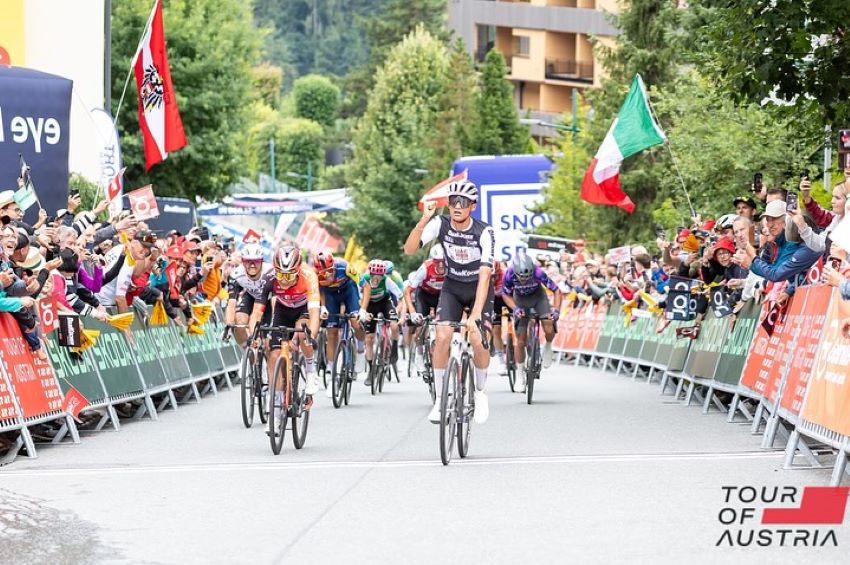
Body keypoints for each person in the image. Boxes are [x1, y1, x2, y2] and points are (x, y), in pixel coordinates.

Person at [403, 181, 495, 424]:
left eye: (463, 203)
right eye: (453, 201)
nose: (457, 206)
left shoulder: (484, 232)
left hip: (478, 288)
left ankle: (480, 392)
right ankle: (441, 401)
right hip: (452, 287)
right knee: (442, 337)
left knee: (477, 339)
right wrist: (424, 220)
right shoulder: (440, 224)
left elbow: (485, 276)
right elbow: (410, 249)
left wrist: (475, 316)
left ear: (472, 207)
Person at [249, 244, 322, 405]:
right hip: (283, 309)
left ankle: (310, 370)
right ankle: (277, 399)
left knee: (304, 333)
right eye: (280, 275)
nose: (283, 280)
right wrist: (252, 335)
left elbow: (315, 313)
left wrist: (312, 337)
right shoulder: (269, 278)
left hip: (303, 309)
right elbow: (256, 313)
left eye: (288, 276)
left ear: (297, 271)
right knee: (273, 353)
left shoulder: (308, 276)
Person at [500, 251, 563, 391]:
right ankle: (520, 375)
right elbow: (505, 293)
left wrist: (557, 310)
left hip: (538, 298)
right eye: (521, 278)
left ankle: (548, 345)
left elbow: (556, 290)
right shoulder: (509, 273)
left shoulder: (538, 272)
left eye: (527, 278)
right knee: (521, 340)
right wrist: (515, 309)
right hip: (520, 300)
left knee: (548, 325)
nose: (524, 280)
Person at [313, 251, 366, 397]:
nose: (327, 276)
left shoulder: (345, 267)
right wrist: (322, 306)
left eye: (329, 272)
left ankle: (361, 349)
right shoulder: (315, 274)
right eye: (323, 274)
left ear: (334, 266)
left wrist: (363, 309)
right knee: (332, 333)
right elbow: (319, 291)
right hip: (330, 296)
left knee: (356, 323)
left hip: (349, 291)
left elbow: (366, 287)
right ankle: (333, 378)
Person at [357, 259, 402, 387]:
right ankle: (371, 371)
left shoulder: (387, 281)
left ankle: (394, 347)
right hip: (369, 305)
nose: (376, 279)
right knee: (369, 339)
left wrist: (399, 311)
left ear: (383, 275)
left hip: (384, 303)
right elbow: (357, 299)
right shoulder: (363, 279)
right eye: (374, 275)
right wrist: (364, 312)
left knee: (394, 324)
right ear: (369, 273)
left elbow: (400, 296)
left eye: (379, 276)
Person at [224, 243, 272, 347]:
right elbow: (231, 304)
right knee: (240, 322)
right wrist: (228, 325)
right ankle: (247, 351)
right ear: (242, 261)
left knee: (267, 341)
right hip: (251, 296)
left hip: (269, 300)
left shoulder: (270, 272)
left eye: (256, 261)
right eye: (248, 261)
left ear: (262, 261)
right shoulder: (236, 275)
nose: (252, 265)